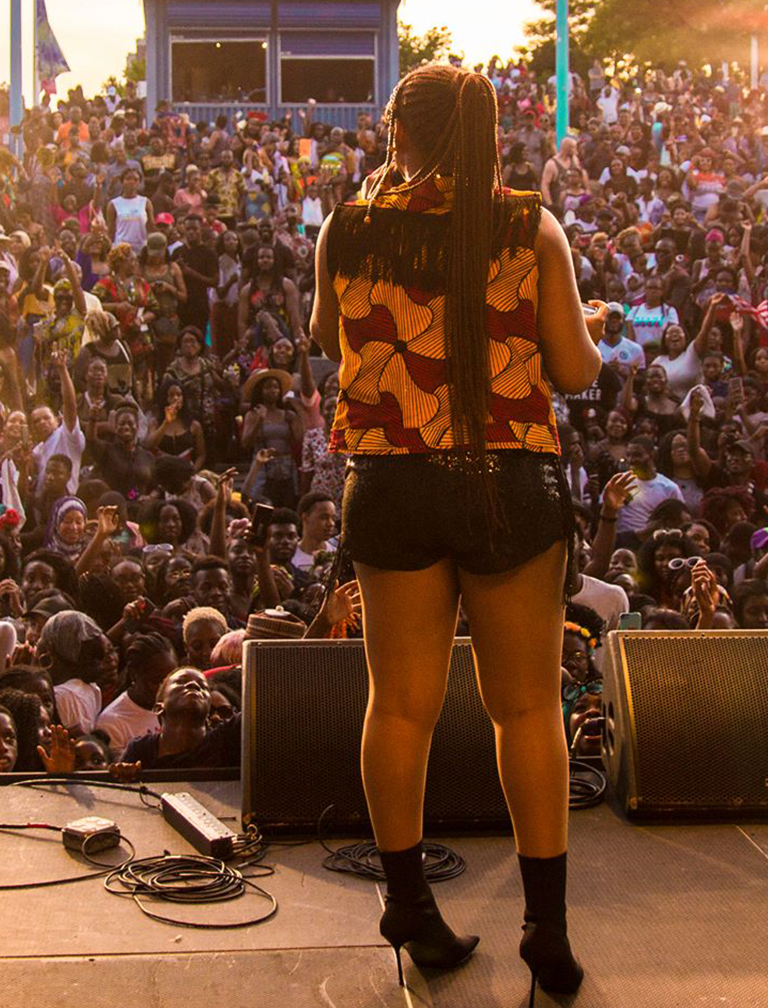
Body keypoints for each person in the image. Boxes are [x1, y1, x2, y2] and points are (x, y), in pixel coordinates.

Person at [311, 64, 602, 998]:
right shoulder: (530, 226)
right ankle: (545, 930)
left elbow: (332, 337)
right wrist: (583, 325)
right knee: (528, 709)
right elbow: (574, 368)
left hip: (391, 482)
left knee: (400, 706)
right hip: (508, 484)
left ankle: (407, 901)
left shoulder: (348, 226)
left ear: (400, 128)